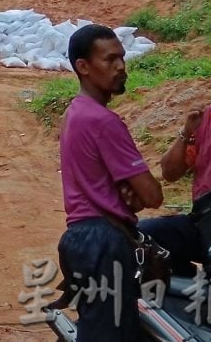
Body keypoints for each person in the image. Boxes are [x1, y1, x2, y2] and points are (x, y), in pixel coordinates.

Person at [54, 24, 163, 341]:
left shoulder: (75, 113)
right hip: (103, 241)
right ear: (83, 66)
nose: (120, 68)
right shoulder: (104, 122)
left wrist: (128, 194)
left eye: (122, 59)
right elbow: (152, 195)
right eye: (110, 60)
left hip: (81, 238)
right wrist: (137, 193)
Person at [139, 52, 211, 276]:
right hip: (205, 226)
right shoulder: (204, 121)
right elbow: (170, 173)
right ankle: (188, 286)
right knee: (144, 234)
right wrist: (185, 134)